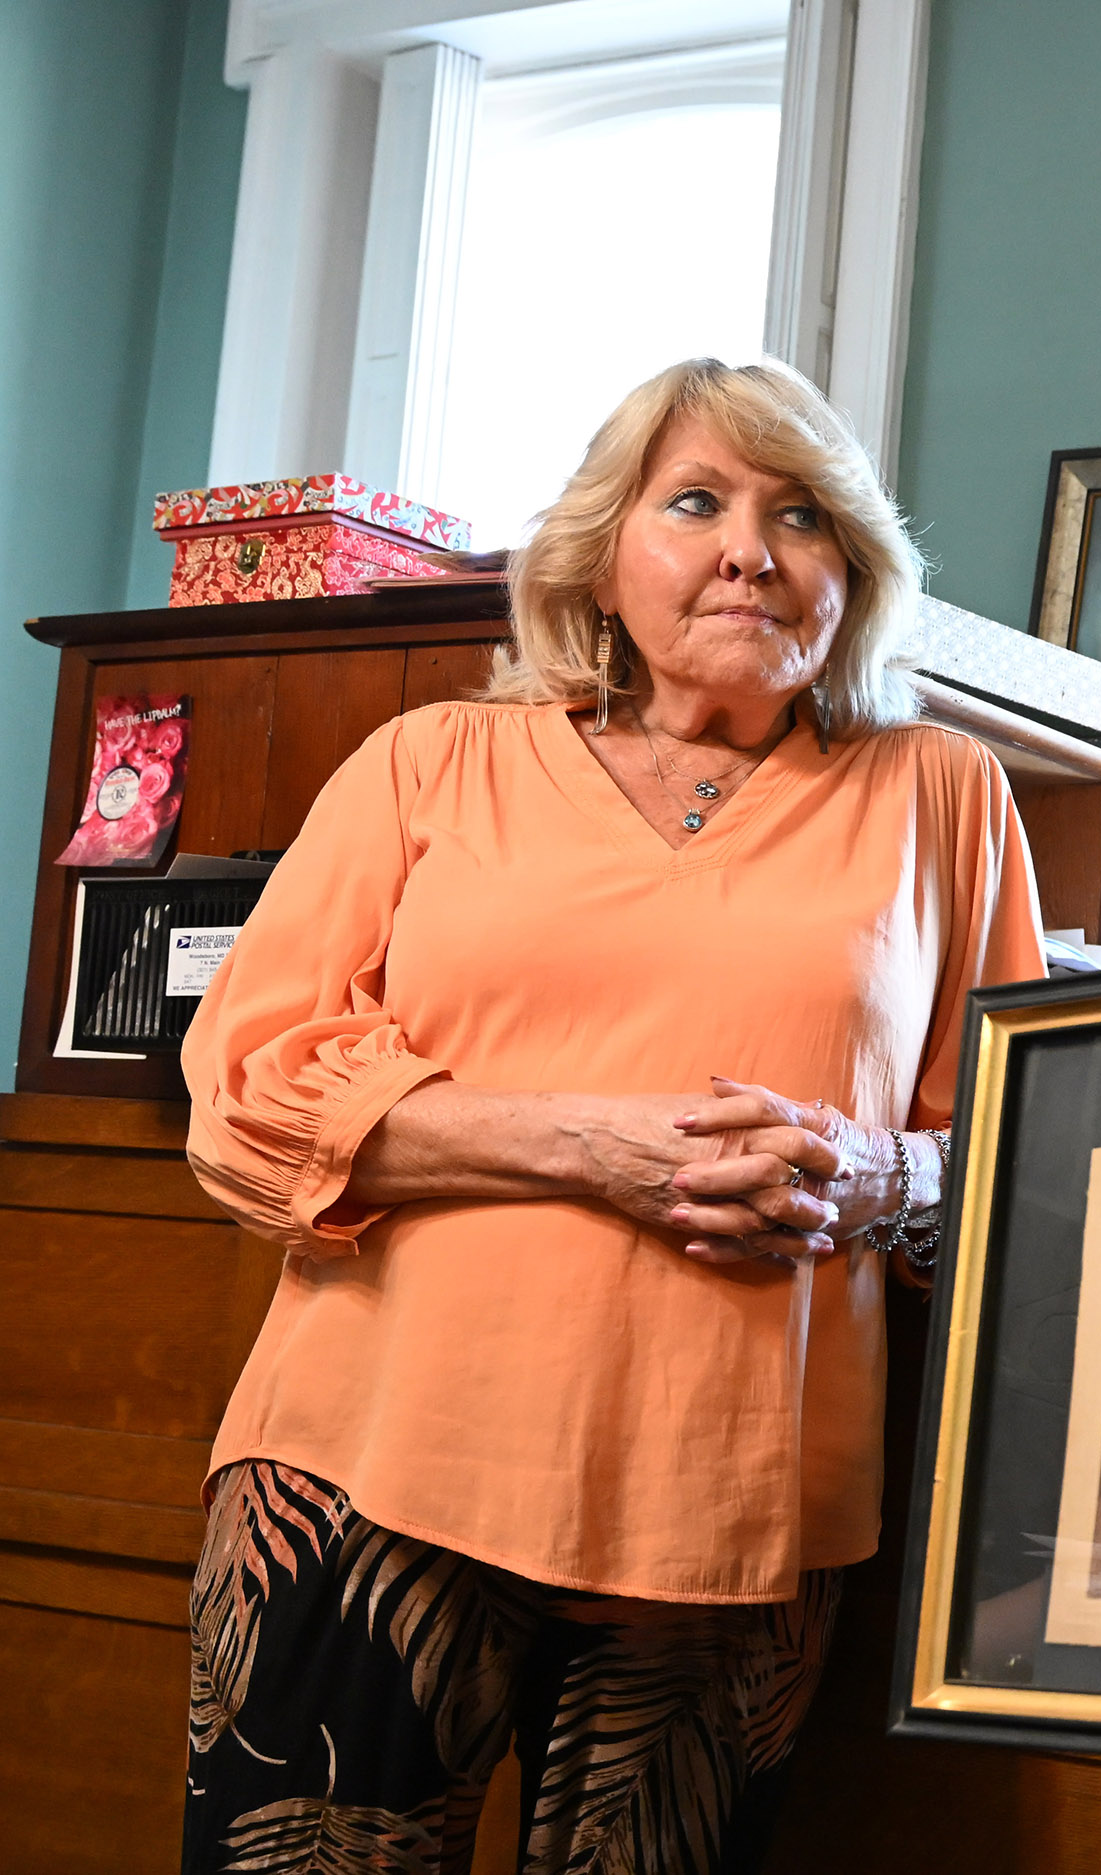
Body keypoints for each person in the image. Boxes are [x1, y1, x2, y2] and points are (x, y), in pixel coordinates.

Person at [177, 357, 1045, 1875]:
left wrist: (876, 1172)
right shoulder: (430, 761)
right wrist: (596, 1147)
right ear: (600, 551)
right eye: (695, 501)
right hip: (369, 1472)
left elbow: (1023, 1153)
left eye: (805, 516)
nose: (749, 550)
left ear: (855, 570)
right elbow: (248, 1100)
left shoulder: (941, 793)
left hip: (733, 1513)